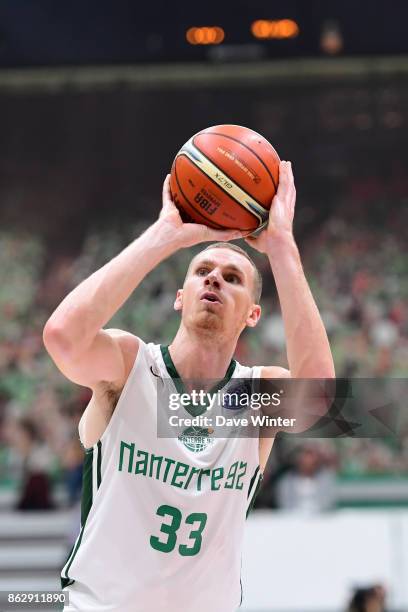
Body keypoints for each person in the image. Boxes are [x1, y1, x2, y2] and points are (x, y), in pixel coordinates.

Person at [43, 161, 335, 611]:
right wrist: (165, 235)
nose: (215, 278)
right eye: (201, 271)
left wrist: (281, 247)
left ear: (252, 315)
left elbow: (321, 403)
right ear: (180, 298)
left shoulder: (256, 396)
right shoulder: (129, 365)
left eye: (233, 278)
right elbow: (62, 337)